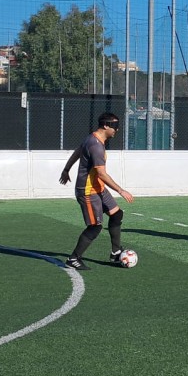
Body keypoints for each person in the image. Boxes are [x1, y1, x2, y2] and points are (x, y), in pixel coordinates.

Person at [58, 112, 134, 270]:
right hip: (88, 191)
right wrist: (121, 190)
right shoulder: (96, 145)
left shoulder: (92, 138)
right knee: (95, 226)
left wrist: (66, 169)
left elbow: (78, 152)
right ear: (106, 126)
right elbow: (101, 173)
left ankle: (115, 251)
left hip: (98, 187)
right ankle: (74, 258)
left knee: (117, 214)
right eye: (114, 126)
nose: (117, 130)